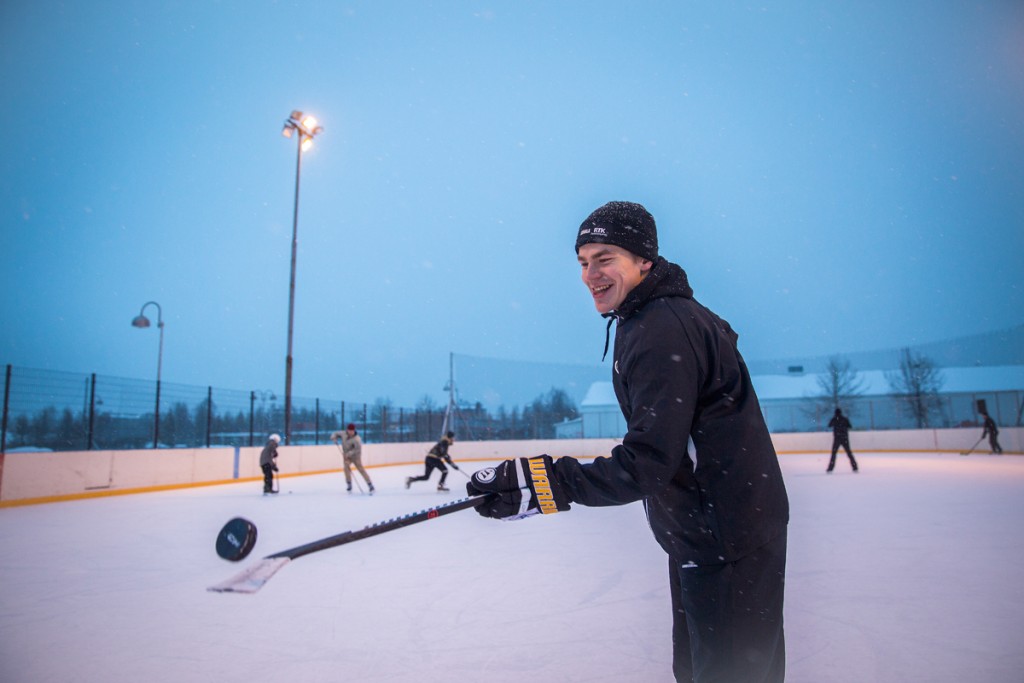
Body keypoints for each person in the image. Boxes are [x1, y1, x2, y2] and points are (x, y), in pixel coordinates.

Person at [466, 201, 790, 683]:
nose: (589, 274)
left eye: (605, 257)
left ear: (645, 261)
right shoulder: (656, 318)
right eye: (582, 261)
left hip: (723, 539)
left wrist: (541, 482)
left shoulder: (661, 329)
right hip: (717, 533)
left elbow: (648, 462)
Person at [330, 423, 375, 493]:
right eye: (349, 430)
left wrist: (348, 454)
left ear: (354, 430)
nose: (351, 432)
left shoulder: (357, 439)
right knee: (346, 468)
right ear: (347, 430)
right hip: (346, 456)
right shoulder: (343, 434)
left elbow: (357, 449)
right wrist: (333, 438)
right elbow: (335, 433)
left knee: (361, 470)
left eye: (352, 431)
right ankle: (349, 483)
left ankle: (370, 484)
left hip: (356, 456)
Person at [827, 407, 859, 473]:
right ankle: (855, 467)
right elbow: (850, 426)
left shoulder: (834, 419)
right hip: (845, 438)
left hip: (837, 439)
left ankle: (830, 468)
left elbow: (829, 425)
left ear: (835, 413)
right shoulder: (844, 419)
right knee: (849, 453)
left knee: (834, 454)